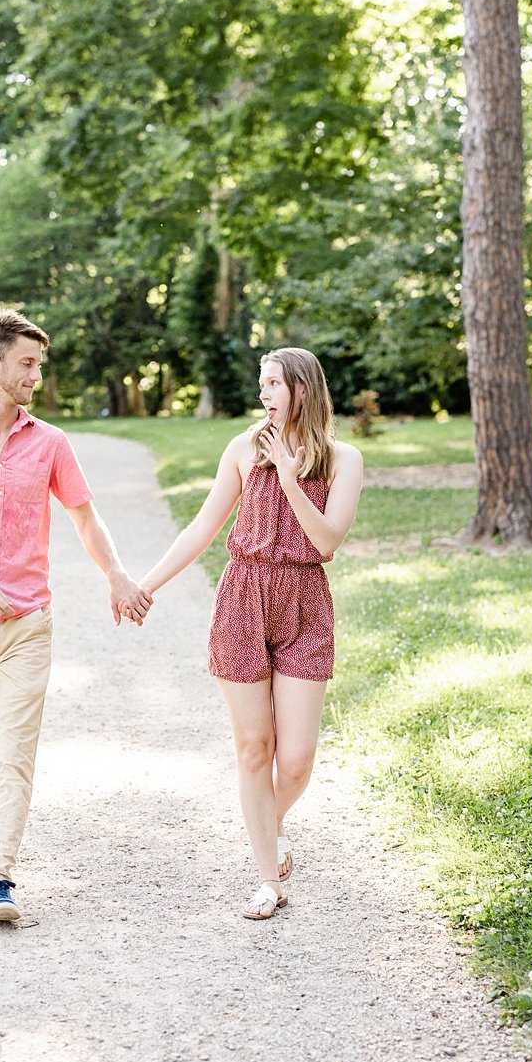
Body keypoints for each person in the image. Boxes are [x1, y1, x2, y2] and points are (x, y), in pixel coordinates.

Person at [0, 308, 152, 923]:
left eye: (37, 365)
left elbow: (85, 517)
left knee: (14, 749)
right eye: (27, 364)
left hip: (28, 623)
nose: (36, 376)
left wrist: (117, 575)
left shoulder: (49, 442)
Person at [137, 347, 363, 919]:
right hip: (243, 598)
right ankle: (268, 877)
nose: (262, 393)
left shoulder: (343, 459)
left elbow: (327, 542)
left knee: (297, 762)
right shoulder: (242, 449)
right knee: (254, 749)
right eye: (260, 384)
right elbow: (202, 528)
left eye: (273, 384)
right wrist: (146, 585)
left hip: (305, 603)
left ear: (302, 390)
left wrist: (288, 475)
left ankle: (268, 820)